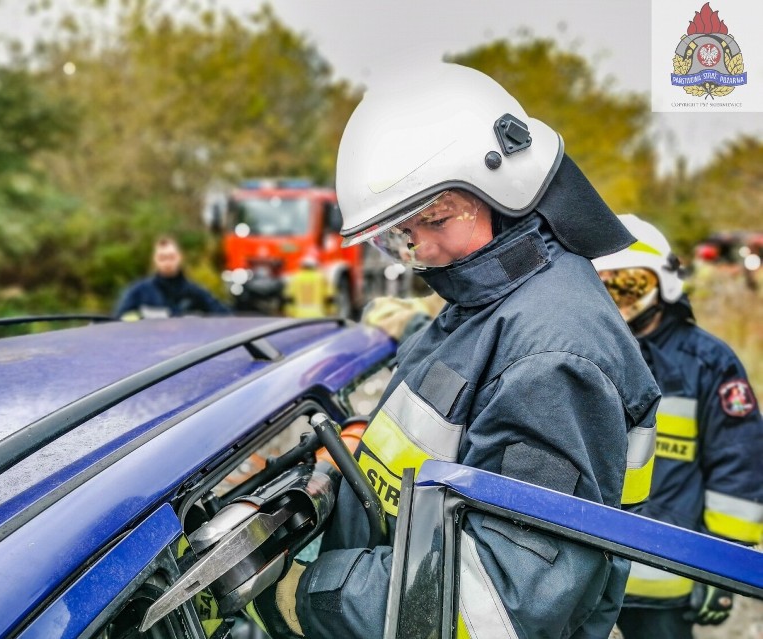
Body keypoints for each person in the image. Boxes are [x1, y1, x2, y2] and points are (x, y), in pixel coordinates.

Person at [250, 62, 661, 639]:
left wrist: (313, 594)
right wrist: (358, 446)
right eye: (402, 233)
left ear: (505, 190)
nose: (418, 248)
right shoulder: (489, 299)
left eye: (435, 220)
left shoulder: (553, 362)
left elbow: (503, 600)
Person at [592, 214, 763, 639]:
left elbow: (738, 468)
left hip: (665, 580)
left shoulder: (708, 363)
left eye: (630, 284)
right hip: (582, 579)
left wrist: (719, 571)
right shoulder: (578, 355)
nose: (618, 299)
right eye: (603, 285)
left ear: (664, 282)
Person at [114, 236, 229, 319]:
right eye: (162, 258)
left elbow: (225, 316)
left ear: (180, 257)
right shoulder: (138, 293)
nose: (167, 262)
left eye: (171, 257)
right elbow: (118, 321)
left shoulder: (196, 293)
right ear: (155, 260)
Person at [283, 254, 334, 318]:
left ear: (302, 266)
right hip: (319, 315)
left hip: (299, 316)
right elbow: (329, 296)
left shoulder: (295, 278)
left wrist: (290, 312)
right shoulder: (321, 277)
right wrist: (330, 311)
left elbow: (289, 297)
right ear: (314, 266)